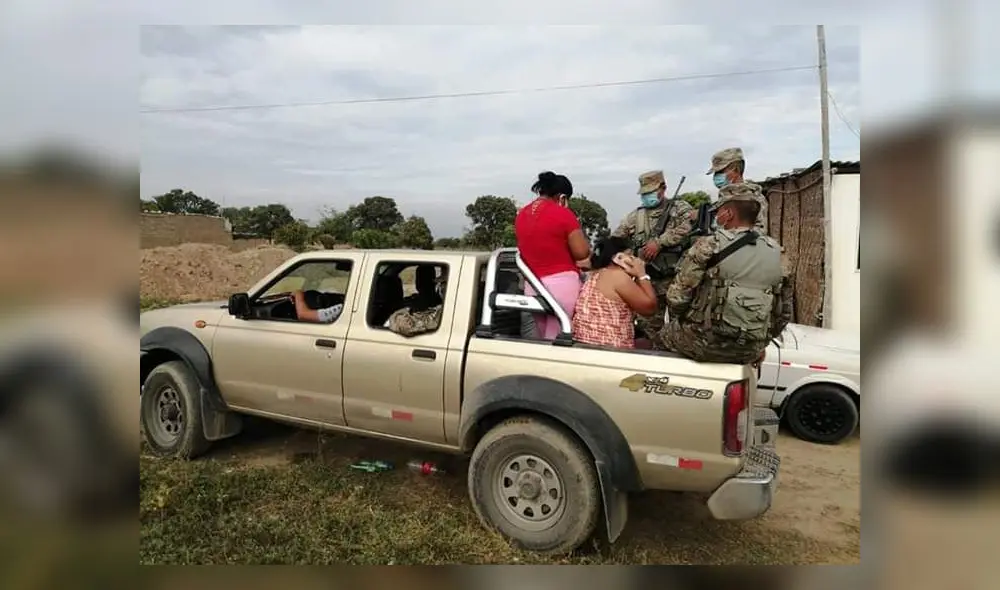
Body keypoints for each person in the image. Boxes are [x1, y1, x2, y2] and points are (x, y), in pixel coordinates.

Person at [660, 183, 792, 364]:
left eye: (719, 212)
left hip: (704, 342)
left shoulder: (709, 244)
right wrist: (759, 345)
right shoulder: (779, 253)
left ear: (728, 214)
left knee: (661, 336)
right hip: (750, 350)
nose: (717, 216)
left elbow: (677, 299)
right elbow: (784, 314)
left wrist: (681, 319)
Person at [610, 169, 696, 349]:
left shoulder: (680, 209)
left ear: (663, 189)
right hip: (649, 283)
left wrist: (660, 242)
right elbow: (616, 239)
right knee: (648, 331)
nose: (647, 197)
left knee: (681, 329)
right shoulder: (636, 216)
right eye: (645, 193)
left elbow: (689, 227)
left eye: (651, 192)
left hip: (677, 281)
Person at [514, 171, 591, 339]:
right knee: (558, 338)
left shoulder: (521, 215)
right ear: (562, 197)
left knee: (540, 338)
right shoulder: (563, 214)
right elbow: (581, 253)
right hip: (562, 285)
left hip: (532, 285)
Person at [571, 237, 658, 349]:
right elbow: (649, 308)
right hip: (612, 351)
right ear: (619, 258)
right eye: (630, 255)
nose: (634, 259)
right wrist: (642, 274)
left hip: (584, 345)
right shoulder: (618, 277)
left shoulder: (593, 275)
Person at [706, 147, 768, 232]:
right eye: (715, 173)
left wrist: (720, 227)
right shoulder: (723, 197)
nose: (716, 176)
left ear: (736, 170)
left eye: (720, 172)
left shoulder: (754, 199)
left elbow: (757, 235)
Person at [387, 266, 446, 337]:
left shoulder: (445, 305)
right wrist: (401, 318)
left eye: (443, 284)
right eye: (441, 284)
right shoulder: (409, 305)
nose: (441, 287)